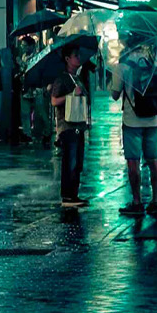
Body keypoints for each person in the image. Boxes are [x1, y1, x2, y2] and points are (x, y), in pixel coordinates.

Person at [116, 45, 157, 215]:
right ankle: (156, 200)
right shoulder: (154, 64)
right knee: (153, 161)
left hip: (132, 121)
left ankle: (137, 202)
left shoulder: (123, 66)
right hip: (152, 120)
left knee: (133, 162)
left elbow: (114, 94)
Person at [50, 42, 94, 208]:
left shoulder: (78, 78)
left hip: (78, 125)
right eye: (76, 55)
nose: (79, 58)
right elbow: (54, 101)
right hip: (67, 126)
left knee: (78, 161)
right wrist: (71, 94)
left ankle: (73, 194)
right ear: (67, 59)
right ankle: (68, 196)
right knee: (71, 160)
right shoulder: (62, 79)